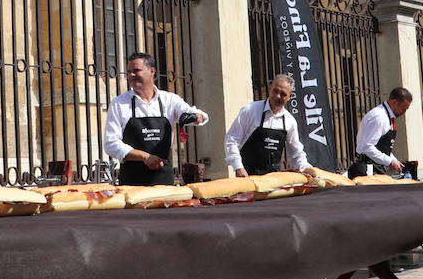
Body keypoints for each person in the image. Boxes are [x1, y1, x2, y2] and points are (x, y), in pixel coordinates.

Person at [103, 52, 207, 186]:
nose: (131, 75)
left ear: (152, 71)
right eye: (129, 72)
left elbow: (198, 115)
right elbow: (111, 144)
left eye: (136, 71)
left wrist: (195, 117)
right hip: (131, 181)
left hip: (163, 179)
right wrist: (145, 157)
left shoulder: (169, 100)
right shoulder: (118, 103)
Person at [225, 74, 310, 177]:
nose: (278, 96)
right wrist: (238, 167)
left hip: (273, 179)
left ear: (290, 97)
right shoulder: (251, 110)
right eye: (275, 91)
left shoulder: (289, 121)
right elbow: (232, 139)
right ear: (270, 88)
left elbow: (296, 152)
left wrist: (306, 168)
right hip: (246, 176)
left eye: (283, 94)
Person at [349, 87, 411, 178]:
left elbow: (382, 147)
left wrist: (394, 161)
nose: (404, 112)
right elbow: (367, 147)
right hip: (367, 169)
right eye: (403, 108)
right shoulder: (379, 117)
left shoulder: (388, 117)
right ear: (395, 102)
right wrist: (389, 161)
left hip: (377, 167)